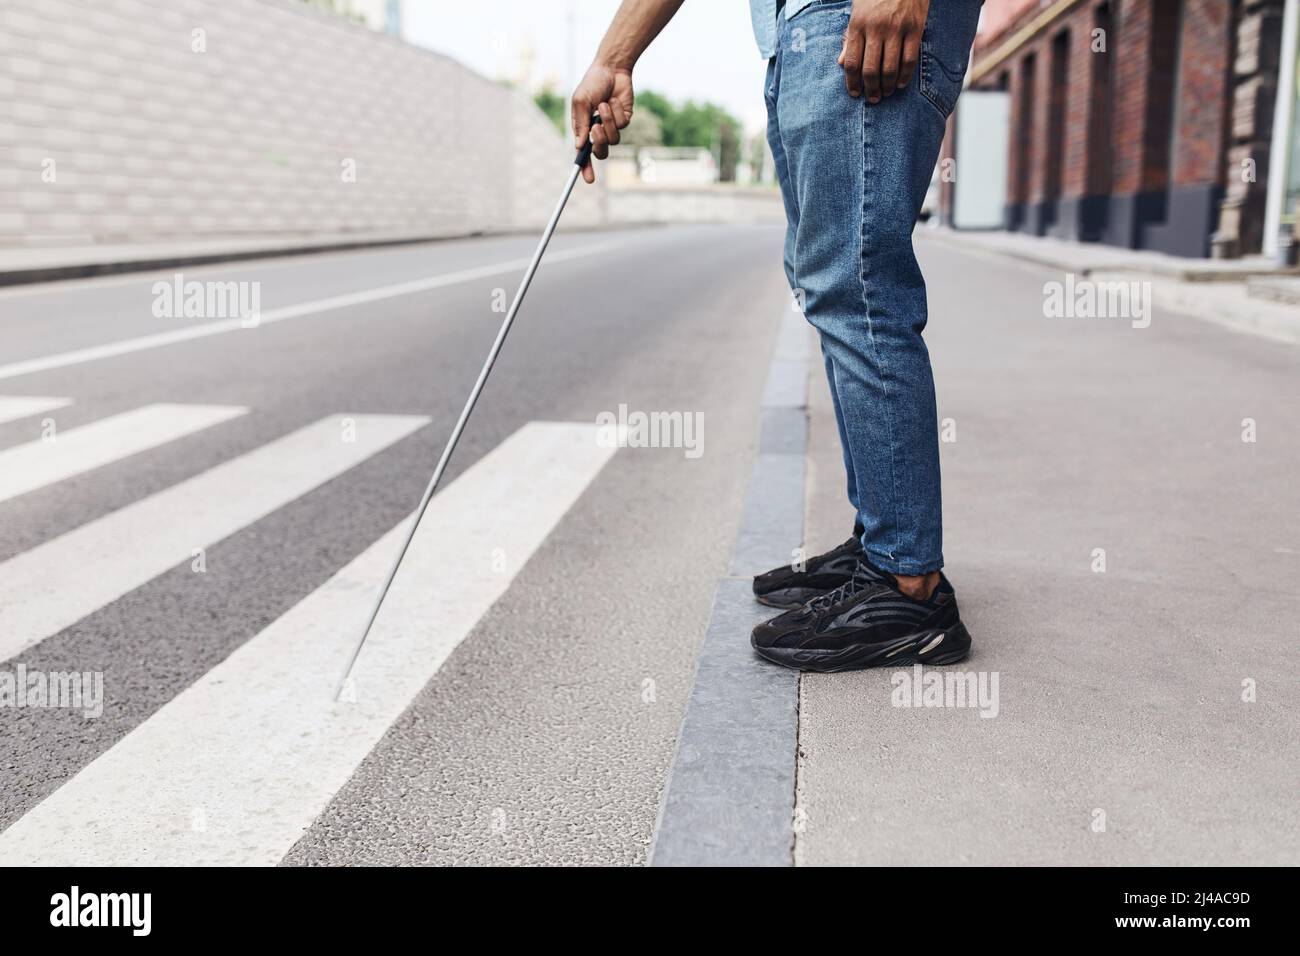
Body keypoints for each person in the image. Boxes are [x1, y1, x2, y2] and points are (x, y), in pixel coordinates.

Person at [572, 0, 982, 671]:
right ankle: (884, 537)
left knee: (859, 285)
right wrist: (614, 56)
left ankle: (909, 588)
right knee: (828, 281)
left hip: (859, 18)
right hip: (801, 35)